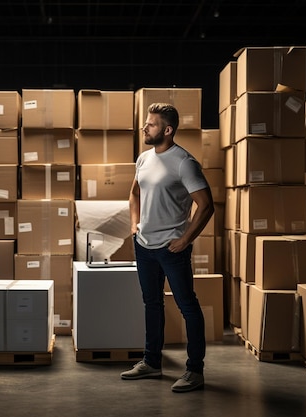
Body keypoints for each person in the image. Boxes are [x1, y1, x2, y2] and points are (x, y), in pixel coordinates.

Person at [120, 102, 214, 393]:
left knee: (188, 307)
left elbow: (206, 205)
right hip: (144, 246)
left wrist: (185, 240)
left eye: (151, 124)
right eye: (146, 123)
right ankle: (151, 362)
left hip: (172, 250)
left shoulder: (184, 162)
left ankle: (195, 371)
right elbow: (134, 193)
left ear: (168, 130)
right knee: (152, 304)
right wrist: (135, 226)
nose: (144, 127)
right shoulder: (144, 158)